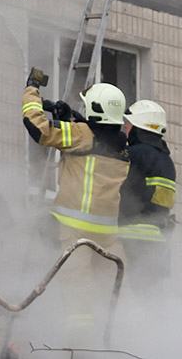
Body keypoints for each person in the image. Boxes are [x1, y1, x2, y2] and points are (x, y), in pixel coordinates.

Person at [22, 78, 129, 336]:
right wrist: (74, 117)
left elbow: (39, 128)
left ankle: (77, 349)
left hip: (73, 235)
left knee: (77, 302)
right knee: (115, 301)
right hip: (108, 240)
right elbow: (97, 134)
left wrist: (31, 93)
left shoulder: (82, 136)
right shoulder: (123, 147)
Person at [118, 99, 176, 290]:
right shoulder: (167, 162)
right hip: (158, 245)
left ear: (138, 126)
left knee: (126, 298)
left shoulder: (134, 154)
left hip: (131, 240)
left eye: (127, 124)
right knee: (151, 300)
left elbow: (113, 186)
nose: (124, 128)